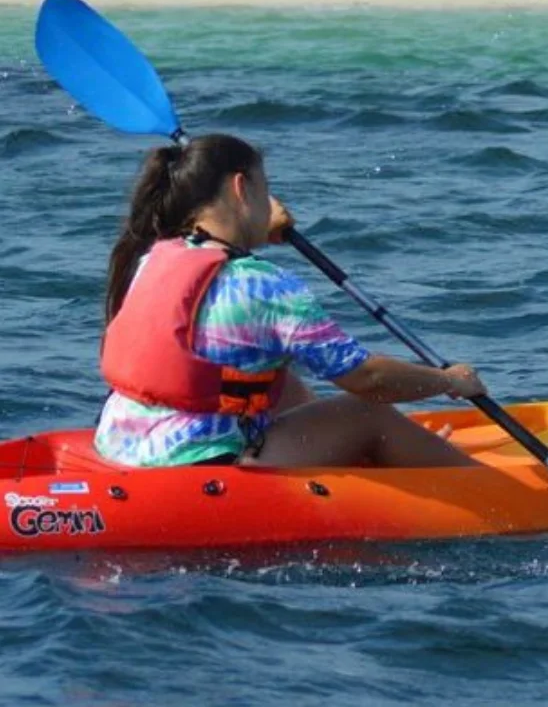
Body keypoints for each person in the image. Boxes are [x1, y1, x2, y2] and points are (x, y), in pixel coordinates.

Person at [94, 133, 485, 469]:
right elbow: (368, 379)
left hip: (122, 448)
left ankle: (375, 453)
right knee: (367, 411)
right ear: (241, 188)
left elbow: (219, 268)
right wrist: (447, 380)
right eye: (265, 189)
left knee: (278, 380)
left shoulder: (153, 257)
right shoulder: (266, 287)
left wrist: (254, 229)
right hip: (201, 463)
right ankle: (481, 486)